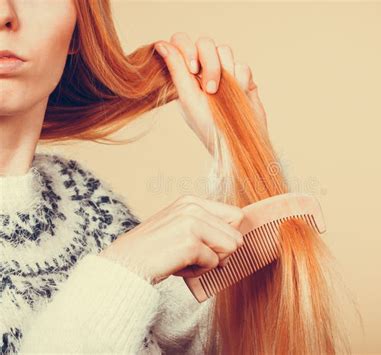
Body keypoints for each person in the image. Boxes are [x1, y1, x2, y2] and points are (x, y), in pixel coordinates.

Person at [0, 0, 267, 353]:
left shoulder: (83, 202)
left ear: (79, 25)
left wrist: (243, 157)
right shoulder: (121, 254)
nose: (4, 12)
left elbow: (231, 337)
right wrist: (121, 273)